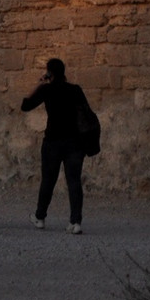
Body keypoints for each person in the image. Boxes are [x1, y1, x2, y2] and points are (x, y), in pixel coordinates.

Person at [21, 57, 92, 234]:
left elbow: (25, 105)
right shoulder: (75, 90)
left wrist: (39, 84)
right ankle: (75, 222)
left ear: (49, 73)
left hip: (52, 142)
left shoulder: (47, 90)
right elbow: (86, 112)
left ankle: (40, 217)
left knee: (48, 181)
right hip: (75, 143)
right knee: (74, 181)